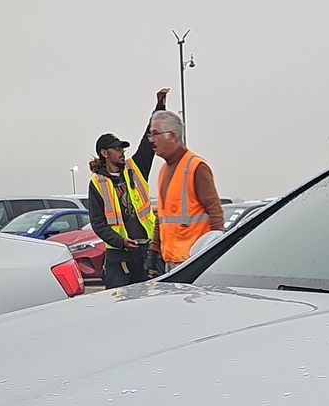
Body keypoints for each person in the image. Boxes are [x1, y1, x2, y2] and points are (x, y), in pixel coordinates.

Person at [87, 87, 170, 289]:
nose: (122, 152)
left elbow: (148, 140)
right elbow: (98, 224)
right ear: (104, 153)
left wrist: (159, 107)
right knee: (119, 308)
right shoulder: (97, 184)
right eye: (117, 148)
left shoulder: (135, 168)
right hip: (118, 259)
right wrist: (121, 241)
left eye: (123, 148)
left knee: (147, 305)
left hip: (145, 254)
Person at [146, 111, 225, 272]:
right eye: (150, 134)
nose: (151, 140)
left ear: (173, 136)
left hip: (194, 263)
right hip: (171, 262)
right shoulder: (163, 171)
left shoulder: (196, 167)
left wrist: (216, 253)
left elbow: (215, 212)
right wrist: (153, 253)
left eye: (155, 134)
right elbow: (161, 218)